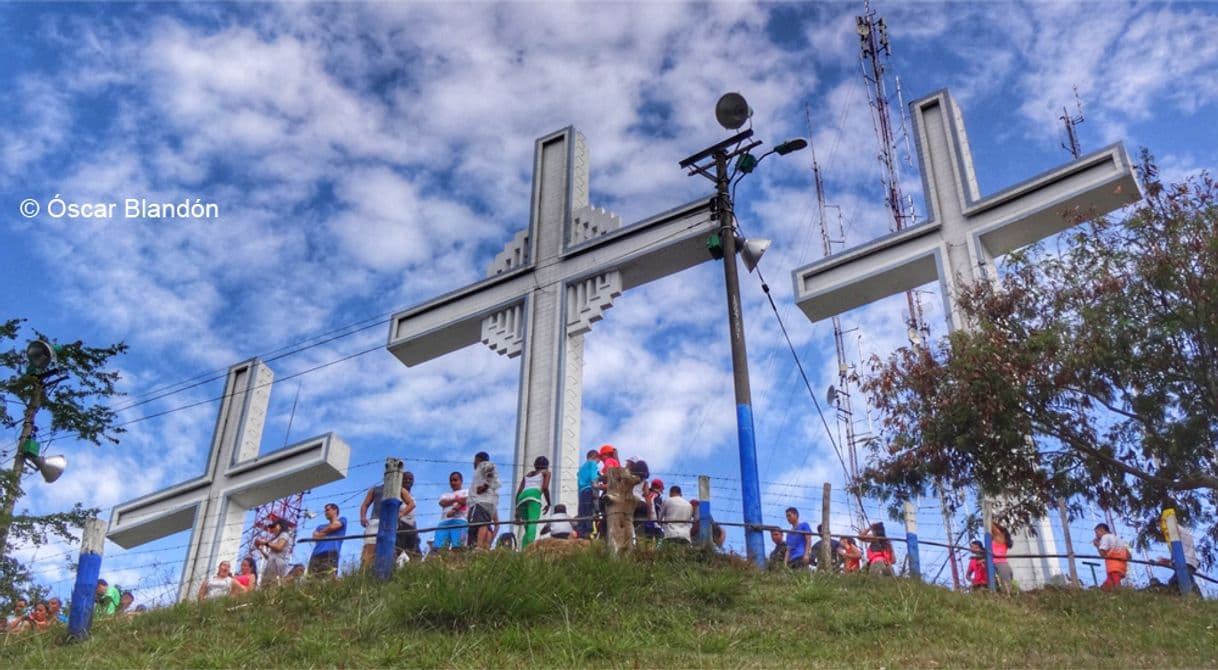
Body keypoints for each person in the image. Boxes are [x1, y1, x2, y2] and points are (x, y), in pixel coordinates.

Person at [359, 472, 414, 568]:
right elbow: (365, 504)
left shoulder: (399, 490)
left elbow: (411, 504)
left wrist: (400, 514)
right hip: (375, 520)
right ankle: (365, 572)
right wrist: (363, 517)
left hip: (391, 522)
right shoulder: (375, 489)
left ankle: (386, 571)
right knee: (369, 548)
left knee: (389, 548)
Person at [515, 455, 551, 549]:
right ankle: (530, 547)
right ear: (546, 466)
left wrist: (517, 509)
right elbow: (545, 488)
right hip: (534, 497)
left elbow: (519, 492)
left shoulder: (527, 475)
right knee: (532, 523)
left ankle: (524, 549)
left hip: (521, 498)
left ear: (535, 465)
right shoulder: (546, 473)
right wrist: (549, 503)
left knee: (527, 527)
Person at [468, 452, 501, 551]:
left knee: (482, 523)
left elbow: (491, 472)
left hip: (482, 501)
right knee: (481, 523)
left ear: (478, 459)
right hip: (486, 501)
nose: (473, 463)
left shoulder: (484, 465)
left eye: (474, 460)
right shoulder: (481, 471)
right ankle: (480, 547)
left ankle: (479, 547)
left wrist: (484, 486)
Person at [308, 503, 348, 578]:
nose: (325, 512)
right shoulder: (320, 526)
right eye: (325, 511)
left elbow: (335, 526)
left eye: (327, 510)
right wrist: (329, 530)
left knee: (328, 578)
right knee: (311, 579)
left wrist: (321, 533)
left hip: (331, 553)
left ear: (335, 510)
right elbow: (314, 537)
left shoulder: (343, 519)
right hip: (316, 554)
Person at [435, 472, 469, 550]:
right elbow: (442, 503)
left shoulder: (466, 491)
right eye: (451, 480)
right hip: (444, 522)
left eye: (455, 480)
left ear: (461, 481)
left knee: (458, 547)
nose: (453, 482)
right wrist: (456, 499)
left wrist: (454, 509)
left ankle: (457, 562)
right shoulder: (445, 494)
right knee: (439, 548)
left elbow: (466, 500)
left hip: (460, 521)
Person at [255, 518, 293, 586]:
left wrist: (265, 543)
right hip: (272, 563)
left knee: (272, 585)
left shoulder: (284, 534)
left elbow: (279, 547)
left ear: (280, 526)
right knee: (265, 586)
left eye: (274, 526)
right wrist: (261, 550)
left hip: (277, 563)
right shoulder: (277, 537)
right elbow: (269, 557)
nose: (273, 529)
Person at [1093, 523, 1130, 591]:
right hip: (1122, 565)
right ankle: (1102, 591)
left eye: (1097, 532)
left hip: (1113, 565)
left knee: (1116, 581)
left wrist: (1097, 545)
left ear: (1102, 530)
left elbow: (1102, 554)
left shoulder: (1105, 537)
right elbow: (1128, 555)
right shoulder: (1117, 538)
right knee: (1109, 582)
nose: (1096, 535)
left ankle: (1120, 592)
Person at [576, 449, 601, 538]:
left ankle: (581, 533)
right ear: (595, 457)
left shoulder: (582, 468)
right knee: (590, 513)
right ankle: (588, 534)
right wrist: (596, 487)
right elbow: (593, 477)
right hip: (589, 489)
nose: (598, 462)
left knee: (582, 513)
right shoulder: (592, 463)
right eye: (599, 459)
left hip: (582, 492)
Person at [397, 471, 421, 560]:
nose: (408, 481)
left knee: (414, 551)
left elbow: (412, 513)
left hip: (411, 525)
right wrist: (399, 516)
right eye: (405, 479)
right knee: (399, 549)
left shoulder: (412, 496)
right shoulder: (398, 493)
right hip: (400, 524)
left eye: (410, 479)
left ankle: (414, 570)